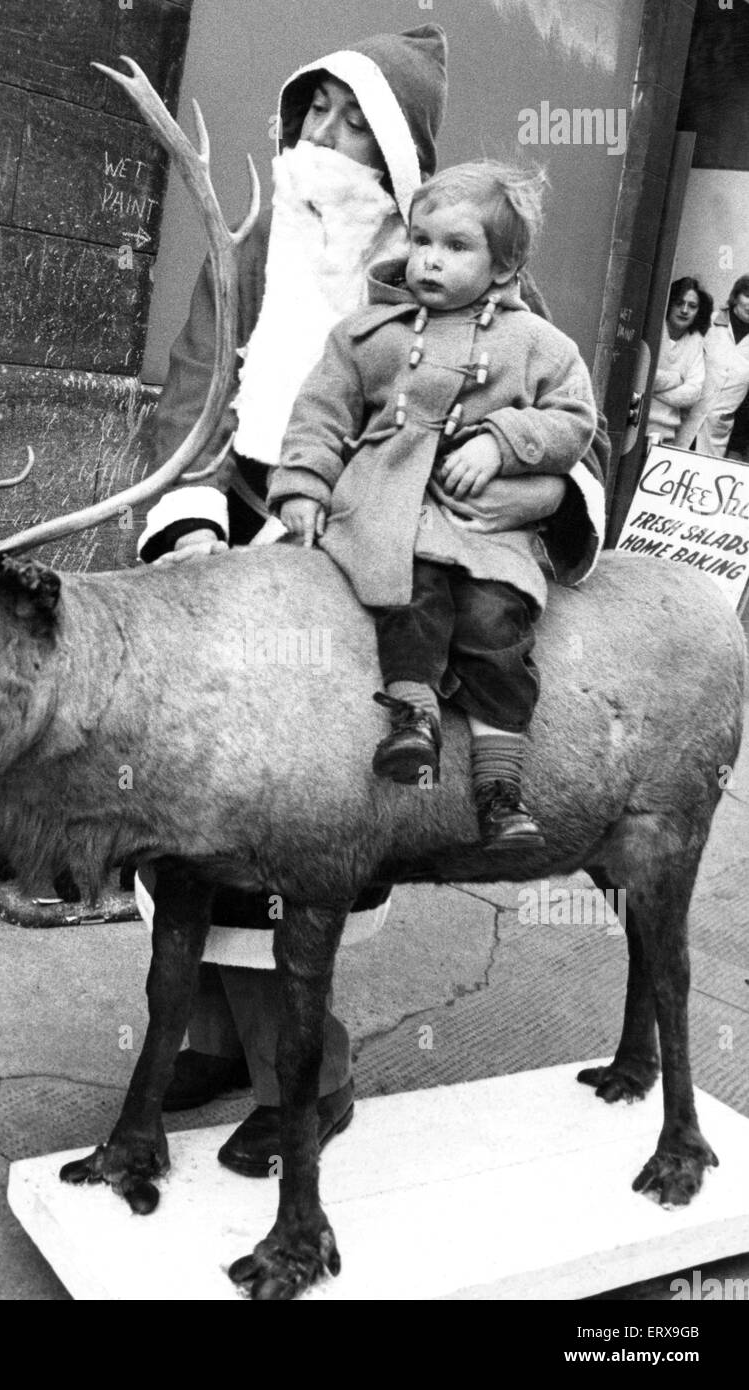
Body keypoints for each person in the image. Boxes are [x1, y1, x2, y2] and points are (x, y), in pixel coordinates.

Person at [137, 24, 609, 1178]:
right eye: (315, 114)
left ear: (401, 159)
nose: (324, 145)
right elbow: (193, 401)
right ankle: (205, 1041)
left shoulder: (468, 276)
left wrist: (523, 485)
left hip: (375, 587)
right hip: (233, 561)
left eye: (357, 125)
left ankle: (313, 1070)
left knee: (288, 835)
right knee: (183, 828)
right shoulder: (246, 254)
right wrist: (190, 525)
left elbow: (568, 428)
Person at [270, 162, 597, 850]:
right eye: (421, 241)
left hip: (482, 533)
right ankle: (410, 722)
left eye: (455, 247)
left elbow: (573, 423)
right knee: (407, 598)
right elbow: (319, 415)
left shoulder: (538, 345)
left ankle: (500, 792)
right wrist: (302, 485)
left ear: (504, 266)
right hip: (387, 518)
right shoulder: (367, 335)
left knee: (494, 625)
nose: (429, 259)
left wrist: (505, 443)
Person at [677, 274, 749, 457]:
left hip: (717, 436)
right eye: (747, 296)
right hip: (680, 422)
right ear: (736, 297)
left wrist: (736, 449)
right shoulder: (708, 322)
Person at [645, 276, 710, 445]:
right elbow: (641, 376)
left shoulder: (695, 341)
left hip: (667, 436)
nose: (685, 310)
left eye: (692, 306)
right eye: (679, 303)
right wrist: (675, 379)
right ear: (669, 304)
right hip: (637, 427)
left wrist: (652, 388)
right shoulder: (653, 330)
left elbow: (692, 394)